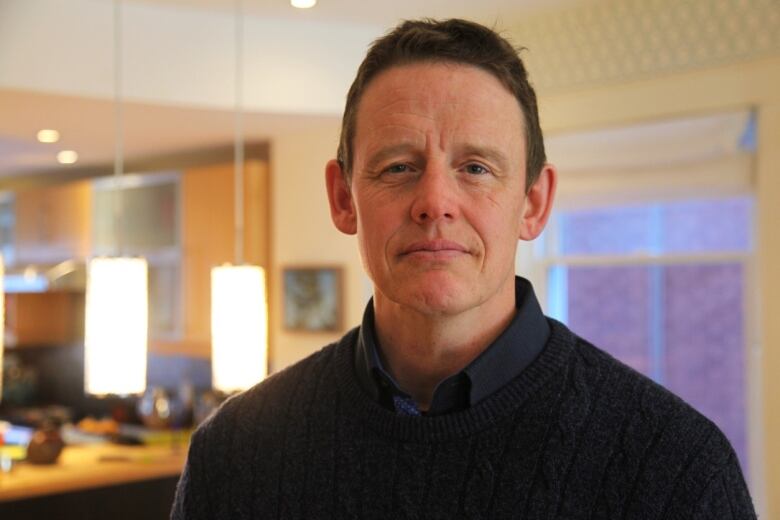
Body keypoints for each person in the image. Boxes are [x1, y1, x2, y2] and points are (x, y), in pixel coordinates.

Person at [172, 18, 756, 519]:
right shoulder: (235, 454)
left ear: (533, 204)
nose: (435, 201)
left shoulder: (674, 468)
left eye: (476, 168)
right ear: (344, 199)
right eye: (398, 167)